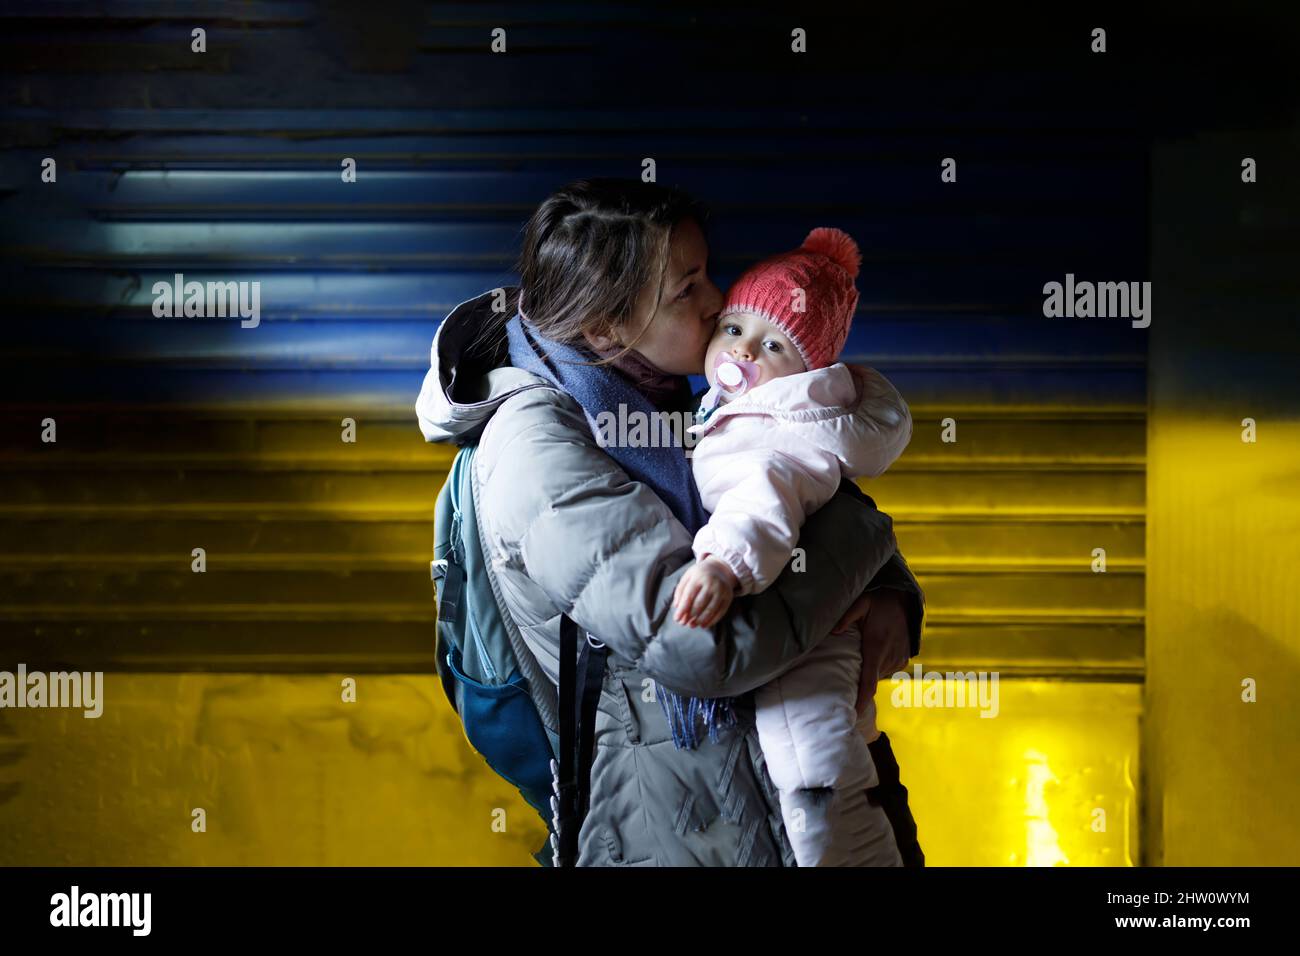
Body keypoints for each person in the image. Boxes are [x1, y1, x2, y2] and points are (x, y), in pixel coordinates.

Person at [415, 177, 925, 866]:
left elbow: (787, 490)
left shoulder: (669, 406)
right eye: (688, 288)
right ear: (603, 327)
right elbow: (702, 649)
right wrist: (868, 541)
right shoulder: (538, 448)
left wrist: (887, 585)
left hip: (753, 809)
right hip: (672, 830)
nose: (719, 302)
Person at [671, 226, 913, 865]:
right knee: (840, 748)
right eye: (734, 330)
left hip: (802, 631)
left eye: (774, 344)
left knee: (810, 764)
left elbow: (764, 500)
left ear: (809, 370)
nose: (744, 349)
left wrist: (723, 564)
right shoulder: (742, 410)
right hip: (807, 619)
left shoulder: (771, 432)